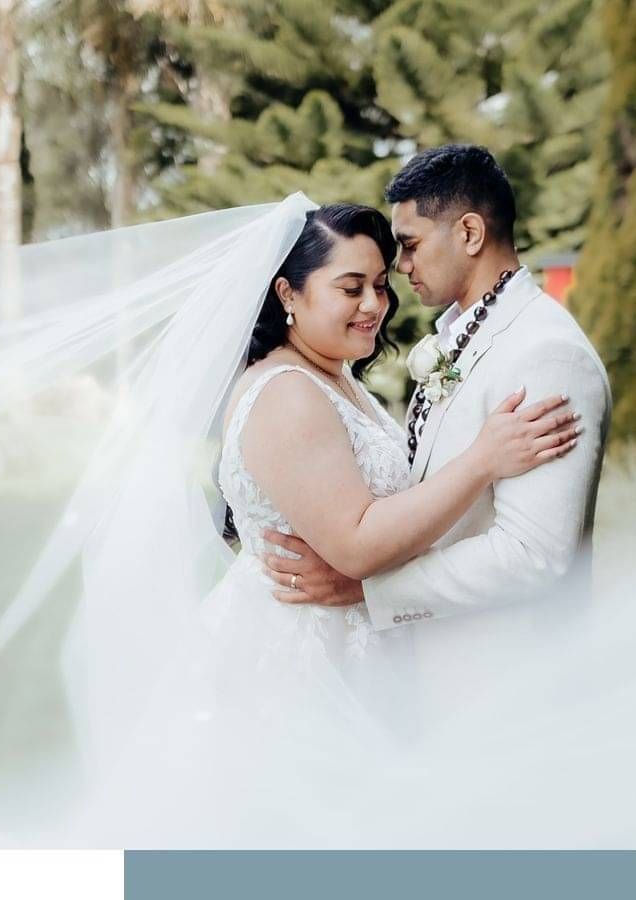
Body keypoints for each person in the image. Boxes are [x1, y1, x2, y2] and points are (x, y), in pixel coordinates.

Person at [258, 146, 612, 657]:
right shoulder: (459, 338)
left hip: (505, 673)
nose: (400, 266)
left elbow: (534, 555)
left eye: (411, 245)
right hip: (435, 676)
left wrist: (369, 592)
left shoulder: (546, 354)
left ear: (469, 233)